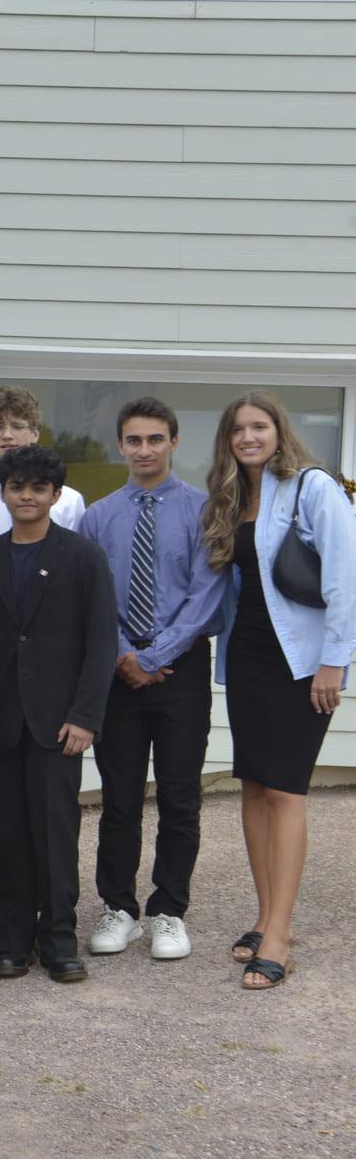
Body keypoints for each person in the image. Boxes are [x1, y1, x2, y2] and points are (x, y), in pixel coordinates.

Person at [200, 392, 354, 991]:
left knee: (286, 792)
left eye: (259, 426)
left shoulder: (314, 487)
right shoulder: (235, 495)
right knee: (255, 788)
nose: (248, 437)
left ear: (277, 431)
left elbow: (346, 576)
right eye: (237, 429)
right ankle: (266, 917)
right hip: (249, 658)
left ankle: (282, 936)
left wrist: (334, 664)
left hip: (301, 663)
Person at [79, 398, 228, 963]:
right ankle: (119, 908)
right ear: (121, 445)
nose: (145, 450)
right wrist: (124, 655)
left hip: (180, 670)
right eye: (135, 440)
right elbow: (95, 599)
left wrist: (156, 653)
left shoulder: (204, 510)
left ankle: (169, 910)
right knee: (118, 798)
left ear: (173, 442)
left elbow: (206, 594)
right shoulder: (98, 516)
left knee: (180, 795)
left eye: (155, 440)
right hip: (117, 674)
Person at [0, 446, 115, 986]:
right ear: (2, 493)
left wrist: (85, 715)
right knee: (6, 833)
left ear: (55, 495)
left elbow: (101, 641)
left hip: (58, 724)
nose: (26, 496)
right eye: (16, 487)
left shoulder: (81, 556)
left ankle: (58, 941)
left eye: (37, 488)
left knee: (54, 832)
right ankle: (10, 943)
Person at [0, 385, 87, 561]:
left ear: (35, 434)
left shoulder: (69, 501)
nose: (7, 435)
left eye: (17, 426)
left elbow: (77, 561)